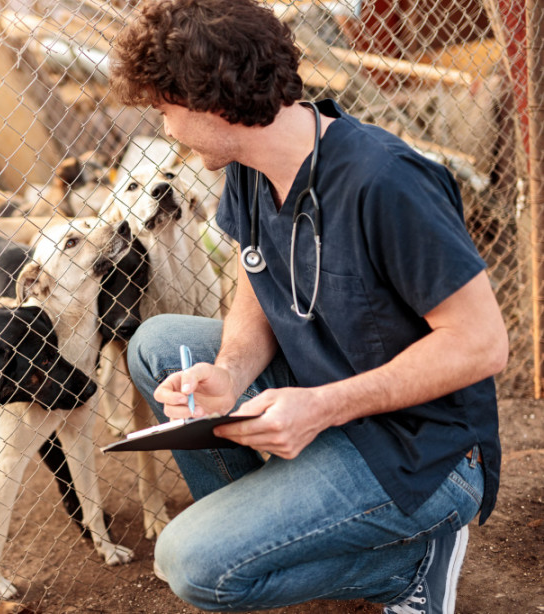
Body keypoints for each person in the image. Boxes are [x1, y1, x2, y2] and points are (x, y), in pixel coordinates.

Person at [109, 1, 510, 613]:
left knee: (192, 566)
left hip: (426, 451)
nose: (168, 130)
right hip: (328, 398)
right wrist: (230, 371)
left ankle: (408, 568)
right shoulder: (249, 165)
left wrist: (321, 406)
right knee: (157, 344)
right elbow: (258, 275)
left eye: (166, 111)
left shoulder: (384, 180)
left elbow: (482, 344)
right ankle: (284, 532)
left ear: (211, 101)